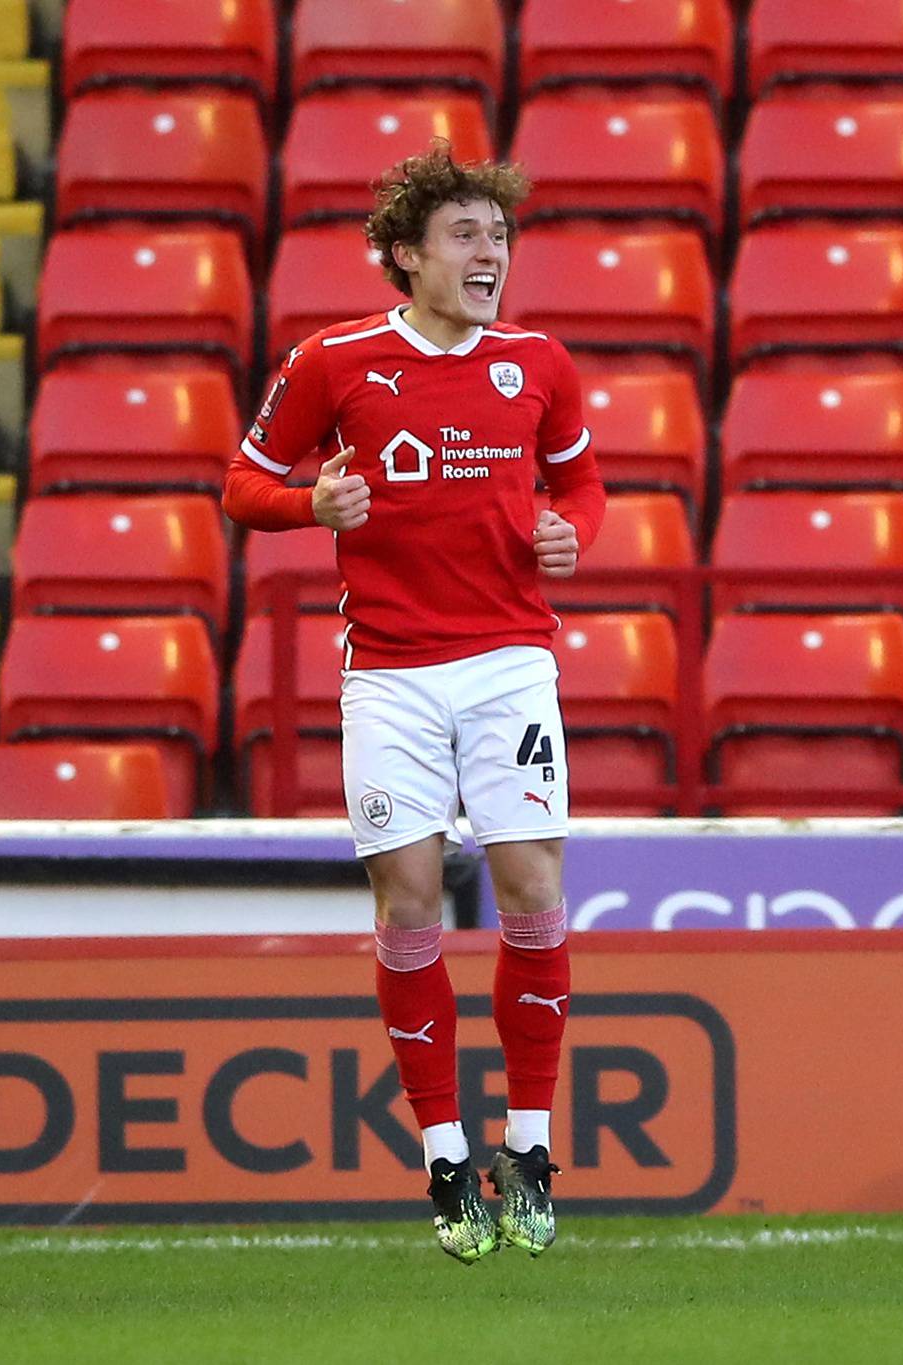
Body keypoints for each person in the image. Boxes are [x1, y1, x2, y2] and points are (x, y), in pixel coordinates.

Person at [221, 144, 605, 1263]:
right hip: (388, 670)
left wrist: (576, 529)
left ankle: (526, 1147)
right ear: (407, 255)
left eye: (500, 236)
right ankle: (445, 1155)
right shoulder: (335, 362)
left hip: (508, 663)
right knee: (409, 906)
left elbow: (580, 479)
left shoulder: (538, 360)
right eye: (467, 237)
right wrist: (311, 503)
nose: (491, 254)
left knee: (533, 888)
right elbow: (243, 482)